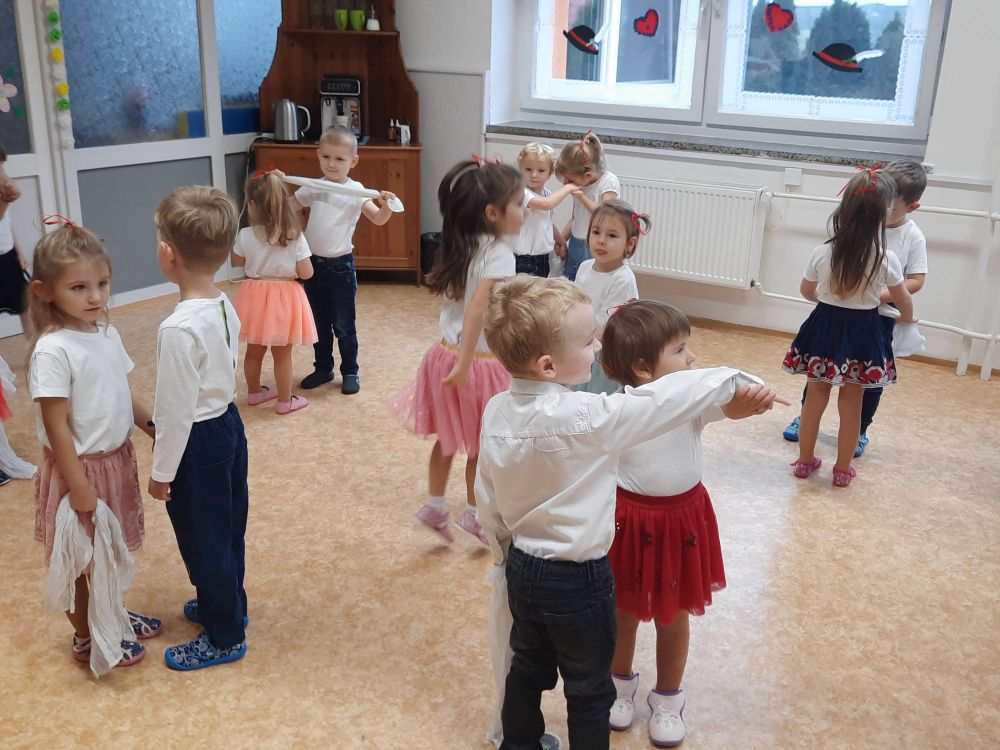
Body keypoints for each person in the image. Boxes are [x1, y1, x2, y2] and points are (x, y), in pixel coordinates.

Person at [476, 275, 782, 750]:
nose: (597, 347)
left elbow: (487, 493)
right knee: (588, 687)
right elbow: (661, 400)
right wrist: (736, 378)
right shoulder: (587, 416)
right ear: (548, 364)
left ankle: (519, 745)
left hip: (523, 568)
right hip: (579, 577)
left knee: (527, 668)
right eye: (587, 341)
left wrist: (501, 551)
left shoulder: (496, 409)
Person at [601, 301, 770, 746]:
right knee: (623, 612)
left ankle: (668, 698)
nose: (691, 358)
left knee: (674, 615)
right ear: (642, 368)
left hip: (681, 524)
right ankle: (619, 686)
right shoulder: (616, 409)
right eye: (679, 350)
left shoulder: (691, 403)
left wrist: (751, 402)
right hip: (629, 524)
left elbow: (731, 404)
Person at [27, 219, 159, 667]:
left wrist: (155, 428)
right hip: (78, 470)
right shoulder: (53, 350)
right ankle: (86, 635)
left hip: (116, 463)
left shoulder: (106, 333)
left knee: (109, 552)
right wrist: (79, 485)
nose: (95, 297)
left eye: (102, 284)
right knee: (80, 561)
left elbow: (122, 391)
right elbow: (56, 426)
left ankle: (112, 615)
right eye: (79, 287)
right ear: (46, 291)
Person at [390, 159, 524, 545]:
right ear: (492, 213)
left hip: (442, 354)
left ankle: (435, 507)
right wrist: (467, 363)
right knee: (481, 444)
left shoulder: (462, 243)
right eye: (519, 203)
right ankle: (474, 515)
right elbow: (478, 309)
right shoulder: (499, 253)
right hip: (475, 362)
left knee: (448, 438)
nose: (526, 209)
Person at [150, 186, 250, 670]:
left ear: (168, 254)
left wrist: (160, 473)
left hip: (198, 438)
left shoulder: (177, 329)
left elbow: (174, 412)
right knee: (227, 527)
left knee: (203, 537)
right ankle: (227, 603)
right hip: (228, 424)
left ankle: (224, 636)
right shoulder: (224, 302)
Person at [782, 159, 929, 457]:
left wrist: (874, 297)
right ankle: (810, 423)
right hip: (851, 320)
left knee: (864, 385)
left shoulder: (910, 237)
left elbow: (916, 281)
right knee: (822, 378)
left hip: (874, 319)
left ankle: (859, 430)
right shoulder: (851, 247)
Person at [289, 126, 398, 395]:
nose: (332, 164)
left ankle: (350, 371)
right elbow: (289, 205)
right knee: (318, 324)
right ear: (318, 155)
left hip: (341, 268)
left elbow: (378, 218)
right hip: (312, 266)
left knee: (344, 325)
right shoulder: (314, 186)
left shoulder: (357, 190)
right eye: (326, 157)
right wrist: (276, 185)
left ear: (353, 161)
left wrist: (387, 206)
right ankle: (323, 369)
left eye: (339, 159)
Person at [231, 169, 317, 415]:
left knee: (254, 350)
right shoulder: (294, 236)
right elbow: (307, 273)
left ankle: (255, 392)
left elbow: (237, 261)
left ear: (252, 204)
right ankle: (284, 401)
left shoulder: (246, 234)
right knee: (282, 354)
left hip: (254, 296)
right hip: (284, 298)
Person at [572, 199, 648, 394]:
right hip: (583, 343)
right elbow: (574, 303)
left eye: (612, 235)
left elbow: (605, 327)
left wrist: (573, 329)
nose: (601, 240)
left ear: (630, 244)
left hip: (605, 354)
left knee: (598, 398)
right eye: (596, 232)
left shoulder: (622, 279)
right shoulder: (585, 267)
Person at [555, 131, 620, 281]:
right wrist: (562, 240)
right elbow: (575, 217)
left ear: (588, 175)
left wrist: (581, 197)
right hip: (576, 243)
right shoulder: (580, 185)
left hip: (595, 246)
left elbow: (607, 214)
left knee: (591, 283)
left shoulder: (608, 181)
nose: (566, 183)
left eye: (569, 180)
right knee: (571, 282)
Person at [513, 142, 578, 277]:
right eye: (528, 169)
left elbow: (547, 222)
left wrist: (560, 240)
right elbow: (547, 204)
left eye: (541, 170)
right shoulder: (521, 192)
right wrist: (568, 188)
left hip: (542, 257)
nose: (534, 175)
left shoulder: (547, 193)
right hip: (523, 258)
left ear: (550, 173)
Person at [0, 142, 33, 340]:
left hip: (8, 255)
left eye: (2, 166)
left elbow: (7, 224)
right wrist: (5, 201)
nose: (3, 173)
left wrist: (19, 252)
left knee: (24, 302)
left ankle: (34, 345)